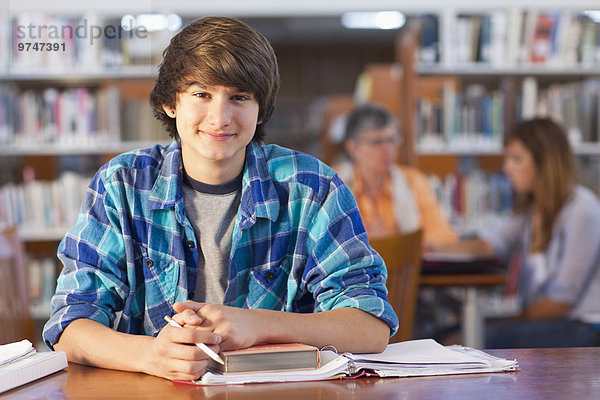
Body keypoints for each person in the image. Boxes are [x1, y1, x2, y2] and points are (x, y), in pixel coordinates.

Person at [42, 17, 398, 381]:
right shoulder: (121, 184)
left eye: (239, 97)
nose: (220, 117)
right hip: (159, 390)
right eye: (201, 94)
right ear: (170, 103)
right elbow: (70, 326)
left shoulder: (313, 186)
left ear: (261, 110)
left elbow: (371, 325)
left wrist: (259, 324)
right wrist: (151, 355)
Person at [432, 118, 600, 348]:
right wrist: (435, 249)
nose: (506, 168)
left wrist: (505, 322)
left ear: (545, 162)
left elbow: (561, 302)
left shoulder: (582, 209)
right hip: (543, 320)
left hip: (580, 325)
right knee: (440, 335)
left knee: (465, 339)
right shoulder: (531, 210)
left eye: (516, 159)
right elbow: (492, 243)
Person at [336, 103, 457, 246]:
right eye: (377, 142)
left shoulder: (413, 181)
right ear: (352, 147)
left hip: (408, 267)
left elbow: (444, 237)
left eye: (392, 140)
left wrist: (393, 245)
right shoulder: (331, 183)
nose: (388, 149)